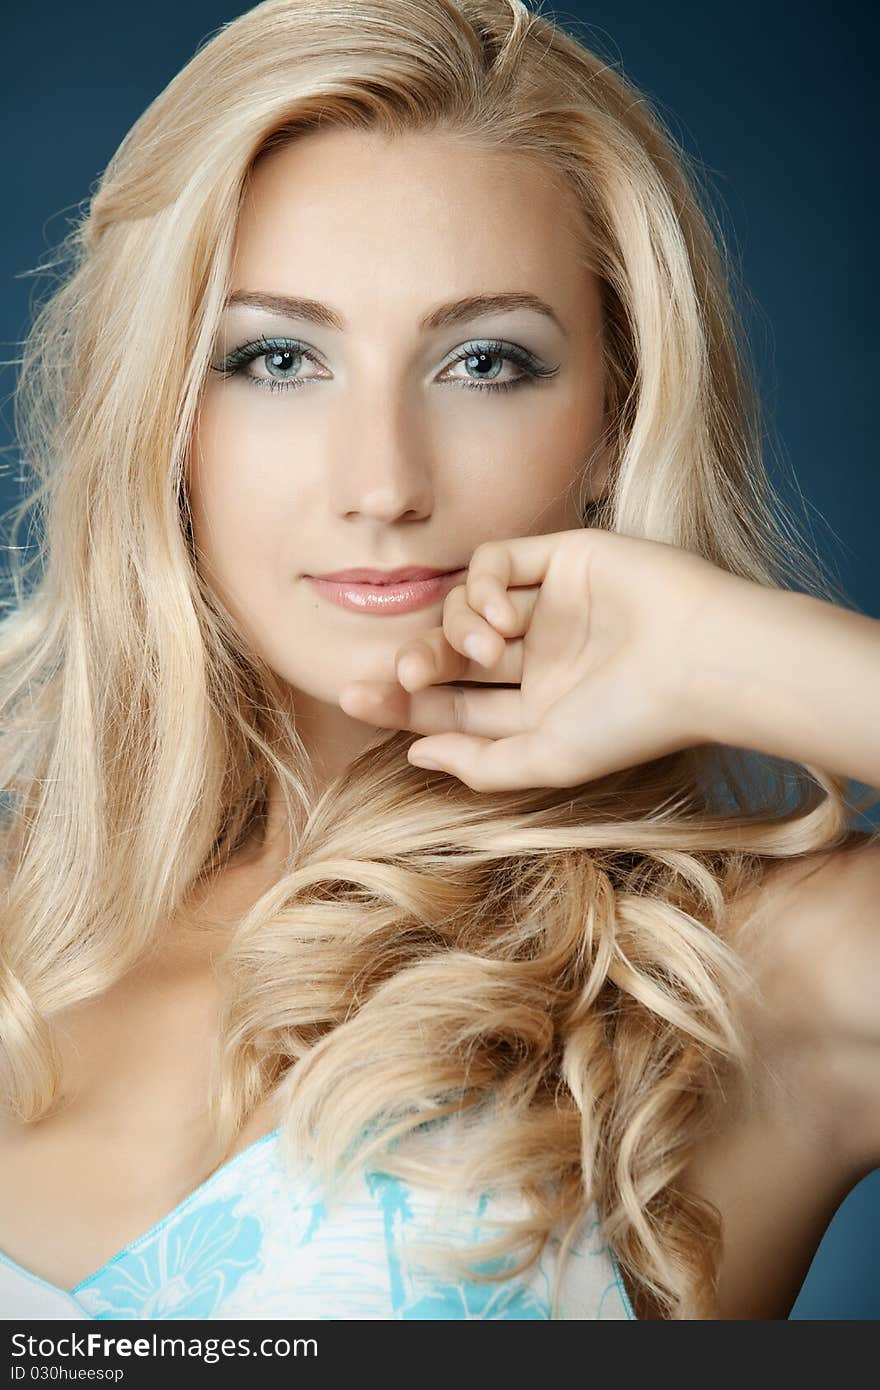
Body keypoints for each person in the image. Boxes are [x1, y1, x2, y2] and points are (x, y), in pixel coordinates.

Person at [0, 0, 877, 1322]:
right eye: (278, 356)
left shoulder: (738, 980)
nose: (381, 482)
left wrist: (720, 648)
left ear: (611, 418)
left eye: (484, 361)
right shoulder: (23, 925)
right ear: (166, 414)